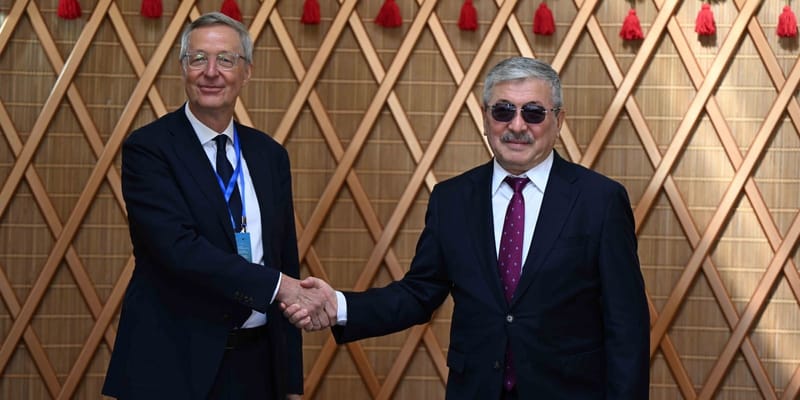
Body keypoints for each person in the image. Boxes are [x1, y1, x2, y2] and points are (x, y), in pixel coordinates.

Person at [285, 57, 650, 399]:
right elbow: (419, 293)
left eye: (533, 113)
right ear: (485, 118)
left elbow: (627, 325)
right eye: (503, 111)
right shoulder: (452, 199)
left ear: (559, 120)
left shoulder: (599, 200)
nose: (517, 126)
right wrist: (340, 305)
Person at [103, 12, 334, 399]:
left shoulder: (269, 155)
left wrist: (291, 381)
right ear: (183, 68)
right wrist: (278, 287)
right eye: (198, 59)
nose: (211, 72)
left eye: (226, 59)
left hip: (257, 367)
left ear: (246, 72)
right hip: (173, 366)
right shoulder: (150, 149)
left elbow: (283, 258)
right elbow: (177, 250)